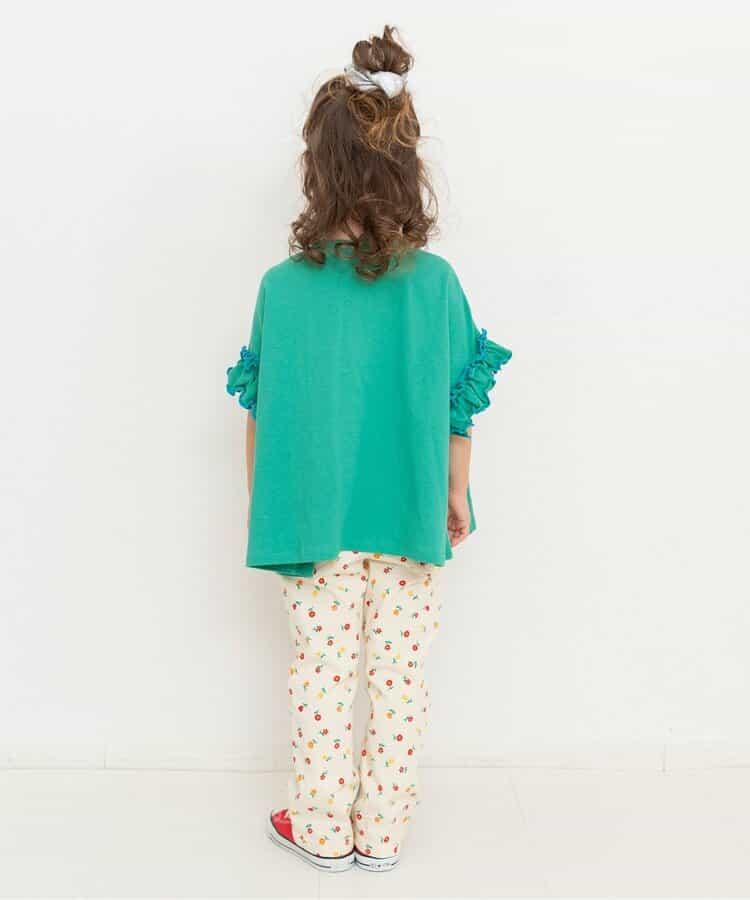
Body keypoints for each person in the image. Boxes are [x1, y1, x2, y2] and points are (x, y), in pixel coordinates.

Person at [225, 25, 512, 873]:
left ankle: (320, 826)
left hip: (316, 518)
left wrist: (265, 505)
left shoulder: (283, 289)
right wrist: (455, 494)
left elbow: (262, 412)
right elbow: (460, 407)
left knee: (320, 671)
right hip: (410, 514)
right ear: (406, 165)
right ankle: (382, 830)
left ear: (317, 168)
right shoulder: (437, 285)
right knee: (401, 676)